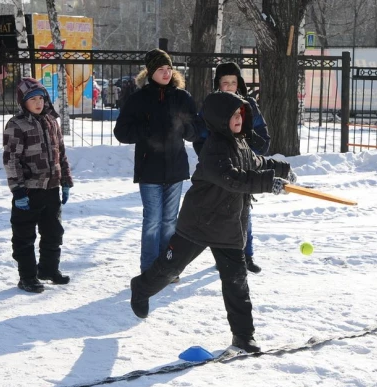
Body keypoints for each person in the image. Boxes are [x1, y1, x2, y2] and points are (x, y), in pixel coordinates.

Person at [129, 91, 297, 353]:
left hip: (229, 225)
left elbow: (256, 162)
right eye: (232, 114)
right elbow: (233, 178)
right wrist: (268, 183)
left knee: (236, 283)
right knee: (170, 269)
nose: (238, 118)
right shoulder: (214, 149)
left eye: (241, 113)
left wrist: (281, 169)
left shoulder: (240, 143)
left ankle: (243, 335)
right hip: (198, 223)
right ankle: (141, 287)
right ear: (220, 119)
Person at [114, 49, 198, 275]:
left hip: (176, 168)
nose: (166, 73)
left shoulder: (182, 97)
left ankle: (168, 269)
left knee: (170, 221)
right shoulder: (138, 99)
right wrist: (147, 129)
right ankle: (149, 270)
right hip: (148, 169)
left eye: (169, 69)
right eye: (161, 69)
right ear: (150, 72)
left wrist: (184, 128)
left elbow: (197, 129)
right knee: (152, 221)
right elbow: (121, 132)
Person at [194, 62, 271, 274]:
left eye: (233, 82)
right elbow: (199, 139)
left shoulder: (249, 107)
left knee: (244, 213)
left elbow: (264, 142)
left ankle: (246, 255)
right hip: (219, 171)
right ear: (218, 84)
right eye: (225, 82)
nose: (229, 86)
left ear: (239, 84)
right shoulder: (210, 107)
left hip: (245, 170)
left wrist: (247, 136)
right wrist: (211, 159)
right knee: (219, 215)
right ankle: (224, 256)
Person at [3, 77, 74, 293]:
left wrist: (65, 181)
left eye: (41, 98)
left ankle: (48, 270)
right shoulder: (16, 125)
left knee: (53, 232)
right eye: (32, 99)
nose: (38, 103)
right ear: (23, 102)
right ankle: (27, 277)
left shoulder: (52, 121)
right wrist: (18, 190)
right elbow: (11, 160)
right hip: (29, 190)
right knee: (24, 236)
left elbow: (61, 153)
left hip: (51, 189)